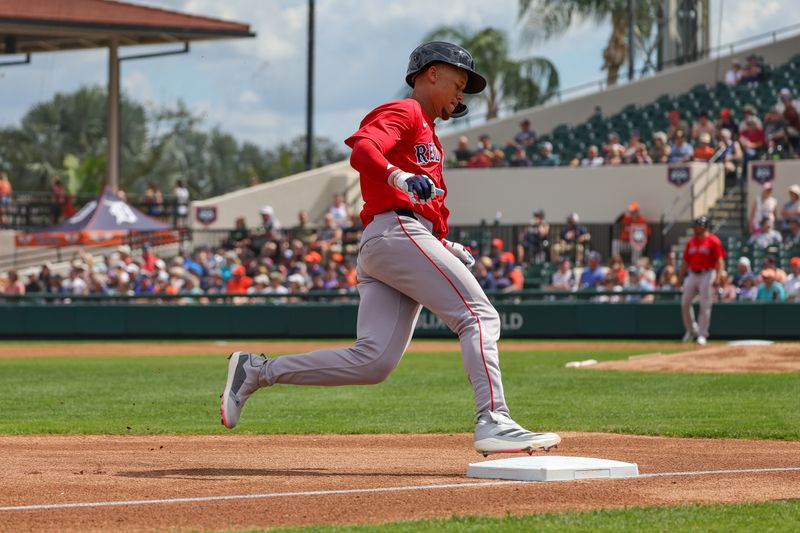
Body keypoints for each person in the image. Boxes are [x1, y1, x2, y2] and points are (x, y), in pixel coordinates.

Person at [219, 41, 560, 456]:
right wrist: (397, 177)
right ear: (432, 72)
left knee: (373, 361)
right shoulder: (407, 111)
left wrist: (442, 243)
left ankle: (257, 372)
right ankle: (494, 419)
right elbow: (363, 150)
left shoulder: (430, 133)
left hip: (392, 239)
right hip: (394, 232)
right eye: (459, 81)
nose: (462, 93)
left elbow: (420, 205)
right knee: (478, 316)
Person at [678, 216, 726, 346]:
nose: (695, 229)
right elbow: (685, 261)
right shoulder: (691, 242)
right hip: (693, 273)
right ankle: (691, 329)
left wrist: (718, 277)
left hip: (707, 273)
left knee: (705, 305)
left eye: (697, 226)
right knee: (685, 302)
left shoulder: (713, 241)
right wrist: (680, 277)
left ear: (704, 226)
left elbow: (720, 261)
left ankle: (702, 334)